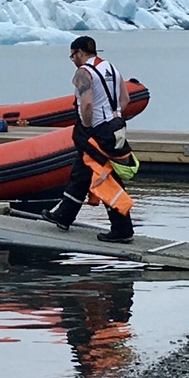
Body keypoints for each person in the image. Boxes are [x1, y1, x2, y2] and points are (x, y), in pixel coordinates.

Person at [43, 36, 136, 242]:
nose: (73, 60)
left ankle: (122, 228)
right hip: (115, 126)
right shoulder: (111, 68)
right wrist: (115, 115)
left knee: (104, 176)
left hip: (95, 129)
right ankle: (64, 216)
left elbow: (86, 104)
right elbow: (125, 99)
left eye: (72, 55)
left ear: (79, 52)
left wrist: (86, 126)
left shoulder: (83, 73)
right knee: (82, 172)